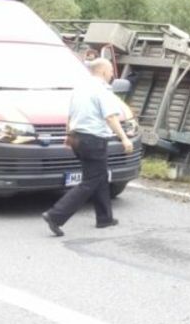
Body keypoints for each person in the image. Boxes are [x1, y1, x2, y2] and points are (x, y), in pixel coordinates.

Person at [42, 58, 134, 237]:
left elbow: (71, 113)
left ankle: (105, 218)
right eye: (110, 72)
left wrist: (68, 135)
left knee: (98, 176)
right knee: (91, 181)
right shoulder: (102, 90)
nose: (112, 75)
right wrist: (124, 139)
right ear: (102, 72)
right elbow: (110, 117)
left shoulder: (80, 88)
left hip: (78, 138)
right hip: (93, 139)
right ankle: (56, 215)